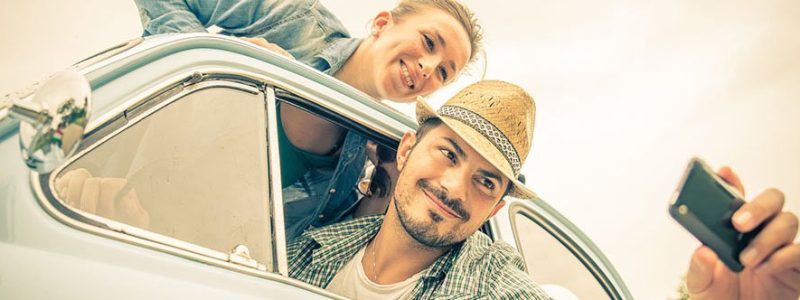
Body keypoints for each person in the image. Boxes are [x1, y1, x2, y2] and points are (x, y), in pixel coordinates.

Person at [286, 80, 800, 299]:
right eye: (449, 153)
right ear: (405, 151)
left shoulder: (496, 287)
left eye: (485, 180)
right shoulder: (310, 249)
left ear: (497, 203)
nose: (453, 187)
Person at [132, 0, 483, 239]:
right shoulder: (295, 21)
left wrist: (384, 188)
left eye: (443, 73)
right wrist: (214, 62)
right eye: (428, 42)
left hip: (189, 253)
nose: (427, 67)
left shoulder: (369, 154)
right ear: (381, 24)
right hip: (123, 198)